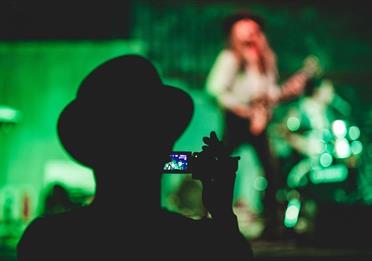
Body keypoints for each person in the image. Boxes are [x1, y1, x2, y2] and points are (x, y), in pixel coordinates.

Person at [17, 54, 253, 260]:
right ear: (166, 146)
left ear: (89, 151)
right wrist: (222, 213)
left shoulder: (45, 241)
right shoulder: (200, 244)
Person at [206, 11, 318, 239]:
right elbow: (215, 89)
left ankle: (272, 223)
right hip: (237, 120)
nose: (249, 32)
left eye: (253, 28)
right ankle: (213, 219)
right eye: (243, 27)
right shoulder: (230, 58)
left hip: (259, 119)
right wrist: (242, 109)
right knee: (220, 168)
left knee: (272, 170)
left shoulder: (266, 59)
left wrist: (287, 91)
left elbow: (269, 93)